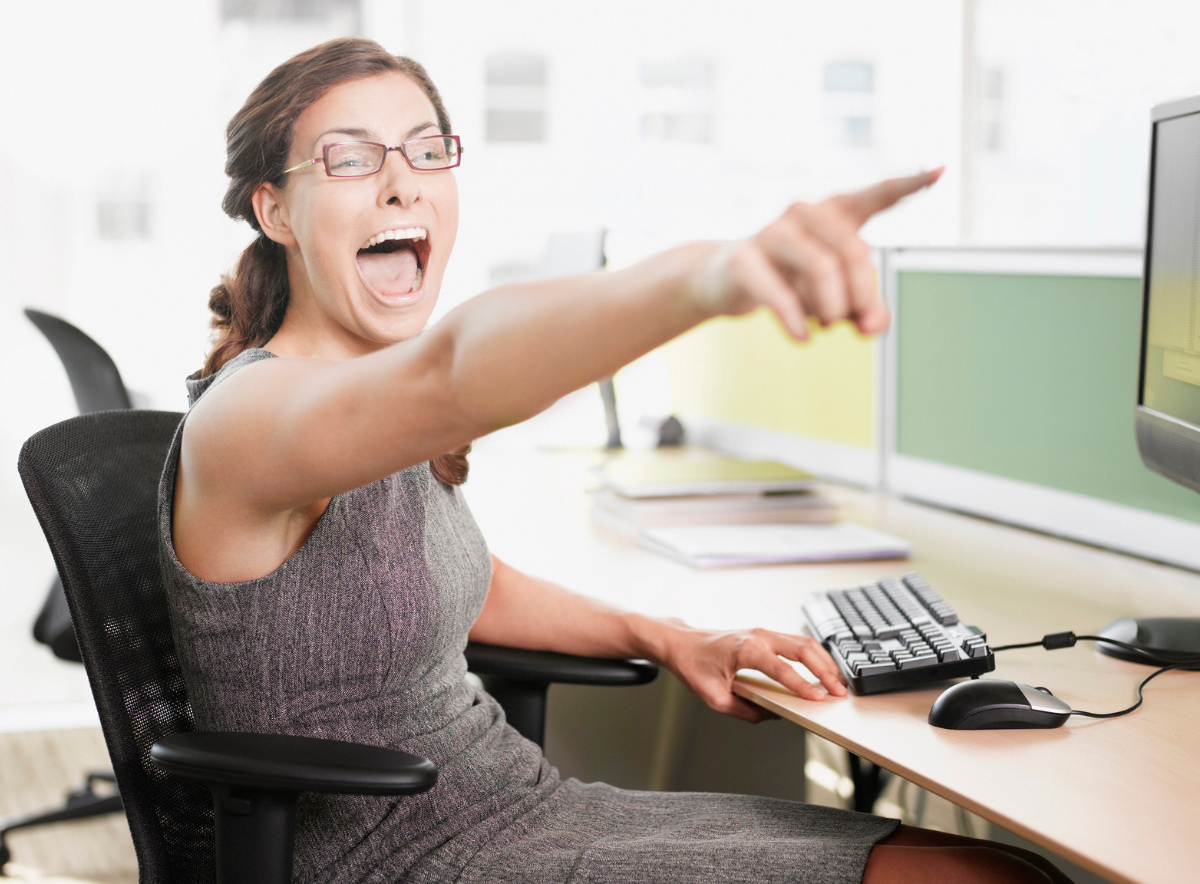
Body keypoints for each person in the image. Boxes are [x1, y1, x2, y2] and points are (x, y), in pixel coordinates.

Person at [159, 37, 1073, 884]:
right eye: (351, 158)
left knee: (1000, 870)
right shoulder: (251, 416)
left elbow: (465, 584)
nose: (402, 186)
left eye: (426, 149)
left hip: (522, 805)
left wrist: (669, 637)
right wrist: (709, 279)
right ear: (273, 208)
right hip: (398, 857)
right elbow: (454, 372)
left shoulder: (363, 403)